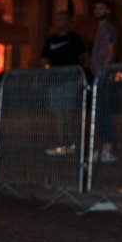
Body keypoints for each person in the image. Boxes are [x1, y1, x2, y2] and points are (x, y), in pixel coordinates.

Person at [41, 10, 88, 155]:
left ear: (69, 22)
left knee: (68, 112)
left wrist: (82, 75)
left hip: (71, 79)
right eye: (60, 19)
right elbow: (44, 59)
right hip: (56, 81)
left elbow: (85, 56)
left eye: (66, 19)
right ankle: (62, 143)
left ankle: (69, 143)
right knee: (59, 113)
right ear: (56, 22)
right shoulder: (51, 39)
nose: (63, 22)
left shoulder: (75, 38)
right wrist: (47, 72)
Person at [90, 0, 119, 162]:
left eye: (101, 8)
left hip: (104, 77)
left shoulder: (109, 29)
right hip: (98, 76)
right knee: (98, 114)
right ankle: (99, 148)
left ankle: (107, 148)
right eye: (96, 8)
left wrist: (102, 70)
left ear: (108, 11)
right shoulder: (99, 29)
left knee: (104, 113)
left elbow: (110, 51)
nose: (97, 11)